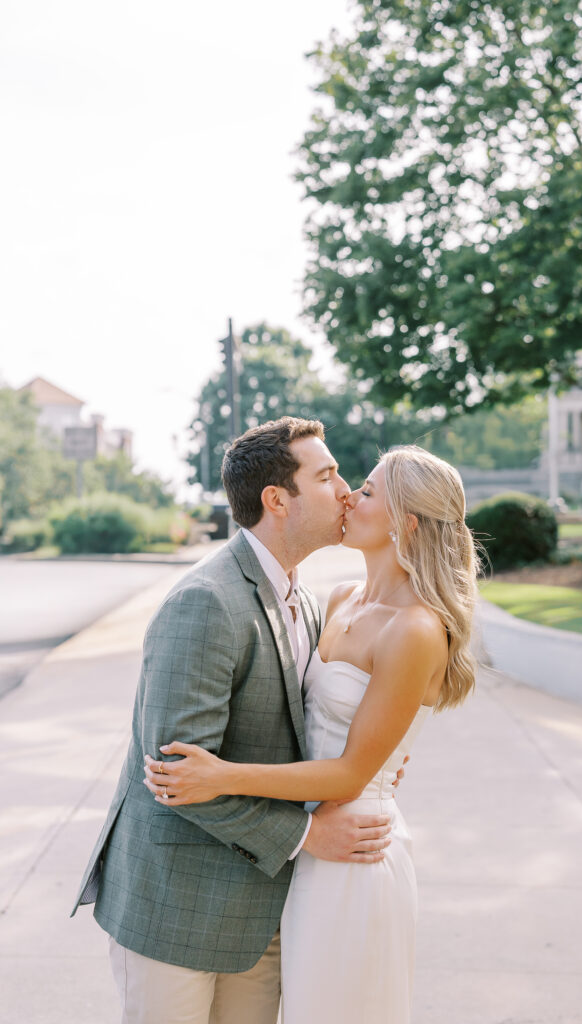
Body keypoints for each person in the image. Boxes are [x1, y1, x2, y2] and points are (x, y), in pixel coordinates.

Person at [71, 416, 395, 1024]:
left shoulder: (304, 598)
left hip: (261, 903)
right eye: (326, 476)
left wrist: (367, 767)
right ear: (278, 500)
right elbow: (175, 775)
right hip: (176, 903)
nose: (346, 489)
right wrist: (307, 836)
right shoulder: (206, 603)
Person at [142, 444, 480, 1024]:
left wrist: (220, 775)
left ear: (408, 521)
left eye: (367, 490)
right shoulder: (340, 599)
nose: (349, 494)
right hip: (305, 853)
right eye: (341, 480)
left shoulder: (416, 629)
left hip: (355, 850)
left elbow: (352, 772)